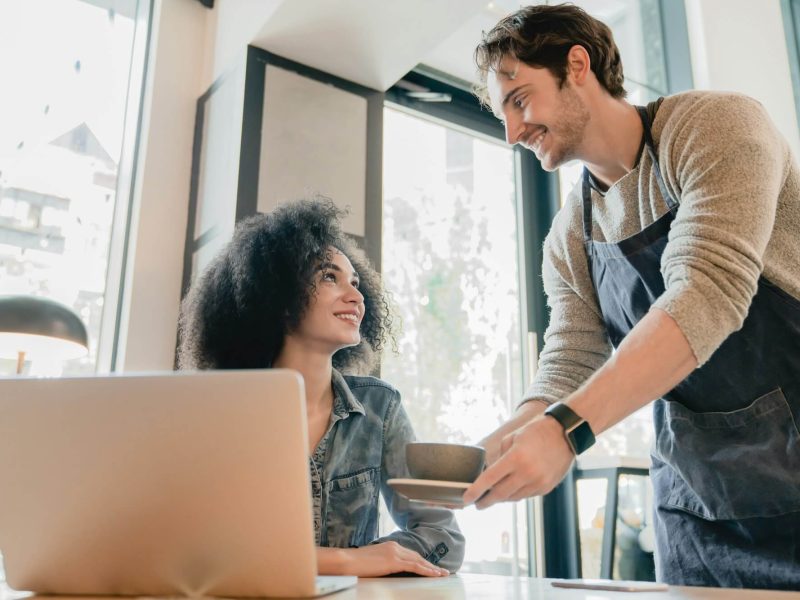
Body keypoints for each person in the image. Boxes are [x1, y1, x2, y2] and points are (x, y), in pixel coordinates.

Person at [461, 3, 800, 590]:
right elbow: (569, 359)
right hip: (697, 508)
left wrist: (567, 431)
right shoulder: (569, 235)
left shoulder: (715, 127)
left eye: (519, 100)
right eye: (503, 116)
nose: (512, 133)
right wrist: (496, 447)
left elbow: (707, 291)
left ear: (577, 65)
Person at [178, 198, 464, 577]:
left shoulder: (380, 406)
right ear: (278, 297)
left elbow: (443, 537)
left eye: (355, 282)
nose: (356, 296)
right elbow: (200, 549)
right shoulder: (227, 411)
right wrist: (349, 561)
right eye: (330, 277)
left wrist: (375, 557)